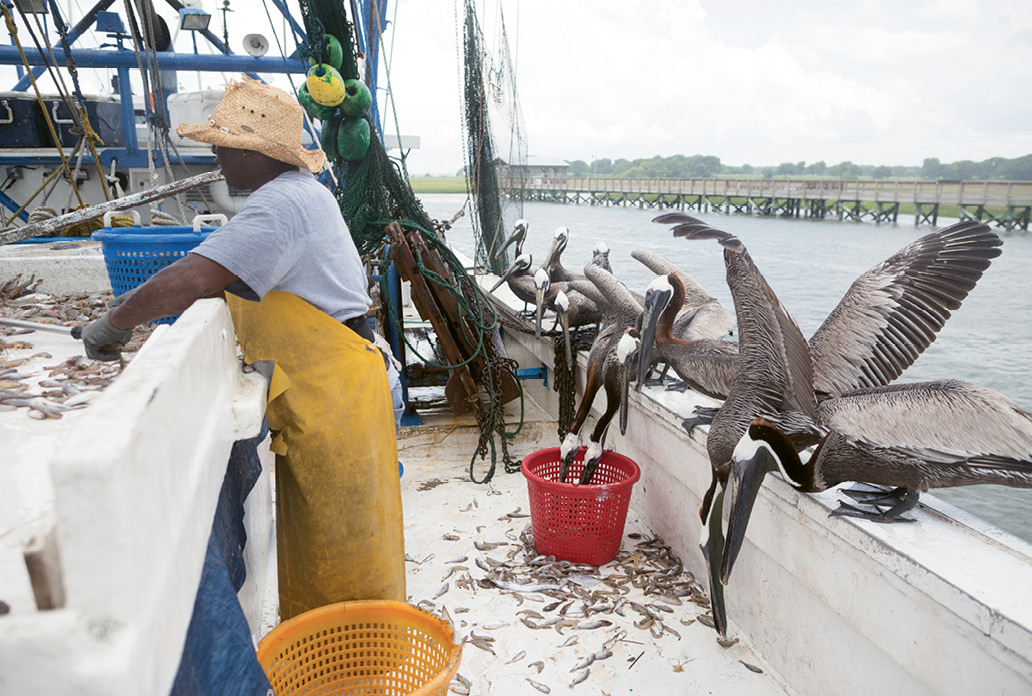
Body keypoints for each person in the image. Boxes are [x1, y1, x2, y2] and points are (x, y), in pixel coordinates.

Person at [80, 75, 406, 620]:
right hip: (336, 390)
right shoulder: (300, 194)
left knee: (346, 551)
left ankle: (358, 658)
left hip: (339, 399)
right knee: (329, 537)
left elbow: (192, 278)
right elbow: (224, 279)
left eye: (226, 141)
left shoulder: (280, 206)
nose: (216, 151)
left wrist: (114, 323)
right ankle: (336, 643)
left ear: (259, 152)